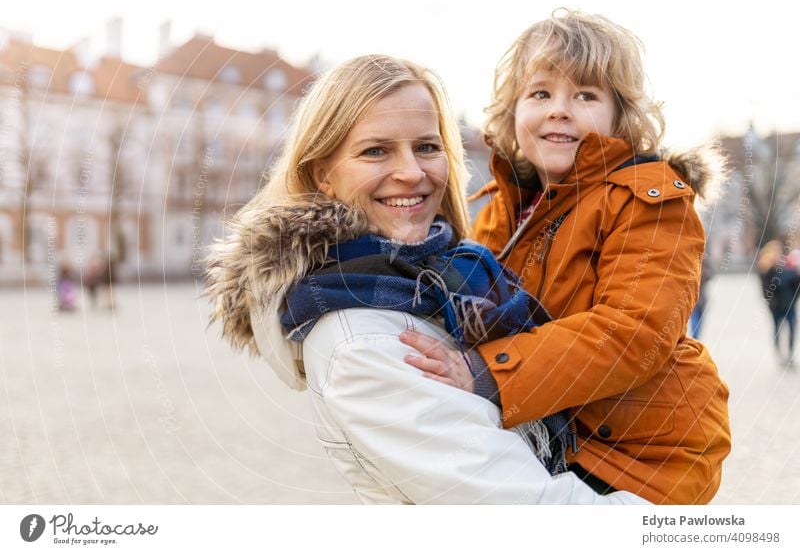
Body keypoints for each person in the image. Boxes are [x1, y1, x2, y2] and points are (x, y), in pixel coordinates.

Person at [205, 54, 645, 504]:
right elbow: (536, 513)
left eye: (427, 147)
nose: (412, 173)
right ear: (323, 175)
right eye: (376, 150)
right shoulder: (362, 343)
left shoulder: (453, 275)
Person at [400, 10, 731, 504]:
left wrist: (487, 371)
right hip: (552, 433)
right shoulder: (506, 207)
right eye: (541, 93)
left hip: (641, 453)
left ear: (621, 117)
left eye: (586, 95)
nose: (560, 109)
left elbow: (634, 331)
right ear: (513, 112)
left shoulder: (649, 200)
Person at [757, 240, 800, 366]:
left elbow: (797, 285)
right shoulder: (766, 270)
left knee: (792, 328)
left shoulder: (789, 267)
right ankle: (779, 354)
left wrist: (794, 299)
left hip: (789, 305)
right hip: (775, 306)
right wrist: (771, 300)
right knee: (776, 329)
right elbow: (765, 290)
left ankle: (790, 354)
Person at [688, 255, 715, 339]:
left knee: (700, 320)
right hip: (693, 299)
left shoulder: (705, 261)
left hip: (702, 299)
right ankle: (695, 337)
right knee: (694, 320)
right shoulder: (690, 261)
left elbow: (710, 274)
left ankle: (696, 337)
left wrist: (702, 274)